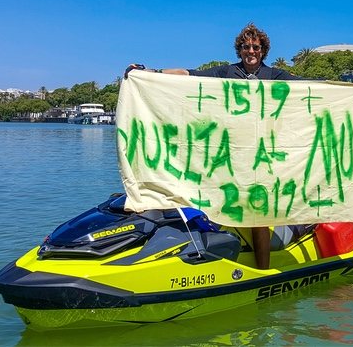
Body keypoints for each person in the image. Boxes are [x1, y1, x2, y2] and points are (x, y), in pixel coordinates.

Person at [125, 22, 299, 269]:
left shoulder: (274, 76)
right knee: (208, 199)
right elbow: (189, 74)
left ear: (263, 51)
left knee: (259, 215)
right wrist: (151, 72)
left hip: (260, 155)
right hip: (227, 153)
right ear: (240, 49)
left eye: (256, 47)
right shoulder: (227, 72)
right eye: (247, 47)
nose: (251, 51)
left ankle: (263, 270)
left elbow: (312, 84)